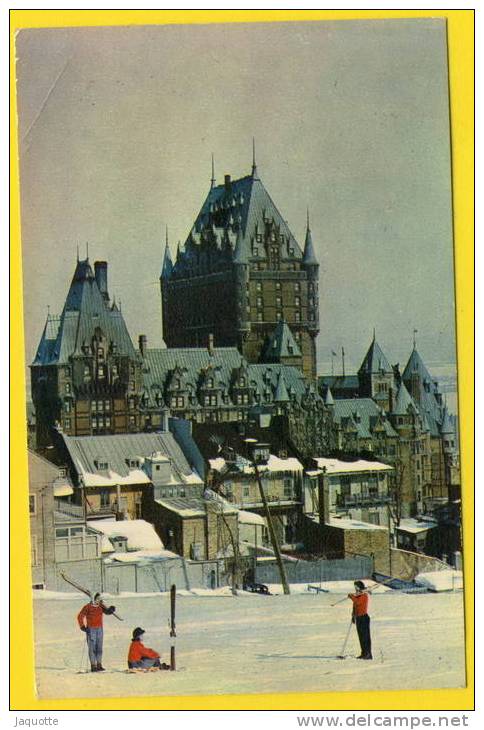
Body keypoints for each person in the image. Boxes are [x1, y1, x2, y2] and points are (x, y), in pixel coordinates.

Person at [77, 592, 116, 672]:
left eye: (100, 599)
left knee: (99, 647)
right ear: (93, 599)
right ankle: (93, 665)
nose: (99, 600)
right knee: (92, 648)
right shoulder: (87, 607)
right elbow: (80, 616)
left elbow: (107, 612)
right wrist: (82, 626)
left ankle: (99, 664)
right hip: (91, 629)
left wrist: (111, 610)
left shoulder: (101, 606)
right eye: (97, 599)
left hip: (99, 629)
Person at [347, 580, 372, 660]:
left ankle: (368, 654)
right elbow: (355, 606)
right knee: (361, 637)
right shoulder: (358, 595)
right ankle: (363, 653)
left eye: (356, 586)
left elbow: (358, 602)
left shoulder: (364, 595)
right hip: (358, 617)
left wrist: (352, 597)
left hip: (364, 617)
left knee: (365, 637)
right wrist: (353, 616)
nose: (355, 588)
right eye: (355, 587)